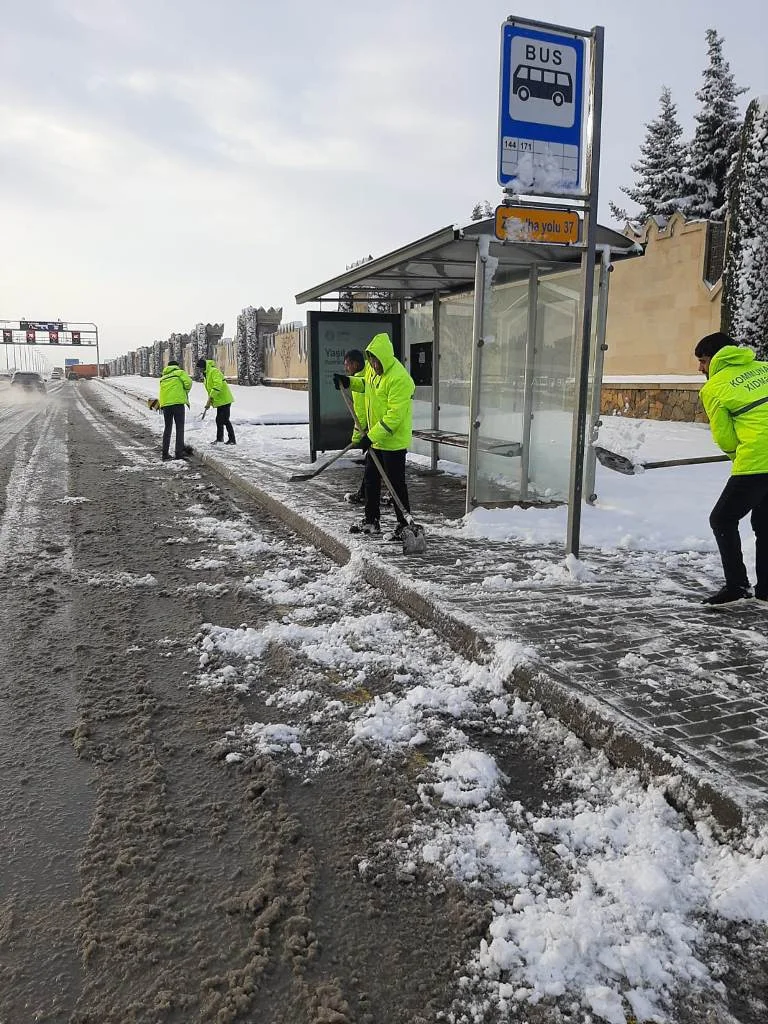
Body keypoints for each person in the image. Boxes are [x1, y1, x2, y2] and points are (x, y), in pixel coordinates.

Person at [695, 331, 768, 605]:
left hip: (756, 462)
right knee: (765, 524)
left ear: (716, 358)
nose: (700, 368)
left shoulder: (713, 388)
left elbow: (724, 436)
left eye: (703, 361)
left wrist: (737, 457)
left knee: (722, 519)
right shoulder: (765, 368)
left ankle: (737, 585)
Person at [333, 332, 415, 540]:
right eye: (370, 360)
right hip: (377, 438)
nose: (373, 364)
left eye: (376, 360)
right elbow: (364, 386)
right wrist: (348, 381)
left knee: (396, 483)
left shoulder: (399, 379)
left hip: (393, 440)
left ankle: (404, 525)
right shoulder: (371, 370)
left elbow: (394, 417)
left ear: (384, 358)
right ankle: (371, 521)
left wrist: (370, 436)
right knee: (371, 480)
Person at [341, 349, 368, 505]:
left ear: (355, 364)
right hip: (376, 429)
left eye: (347, 365)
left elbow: (361, 414)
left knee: (379, 468)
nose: (346, 369)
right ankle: (363, 493)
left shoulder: (361, 379)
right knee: (375, 467)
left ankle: (364, 494)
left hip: (376, 430)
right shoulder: (363, 376)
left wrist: (358, 436)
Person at [196, 357, 236, 445]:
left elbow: (217, 385)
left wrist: (210, 398)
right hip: (219, 400)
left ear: (204, 367)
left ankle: (232, 439)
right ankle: (219, 439)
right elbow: (210, 390)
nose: (199, 370)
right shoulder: (206, 374)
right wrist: (209, 402)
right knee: (218, 420)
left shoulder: (214, 371)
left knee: (225, 420)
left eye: (200, 368)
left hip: (224, 399)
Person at [158, 359, 192, 461]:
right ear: (177, 366)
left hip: (166, 405)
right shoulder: (180, 373)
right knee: (179, 428)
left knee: (167, 428)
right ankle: (179, 453)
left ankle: (165, 453)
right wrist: (184, 391)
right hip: (177, 403)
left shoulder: (163, 377)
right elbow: (188, 383)